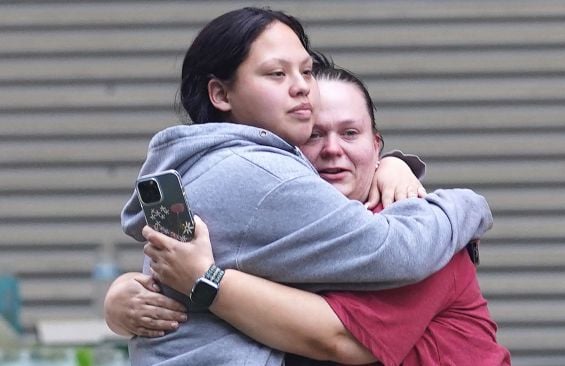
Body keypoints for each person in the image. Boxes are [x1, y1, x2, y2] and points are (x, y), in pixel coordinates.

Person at [116, 7, 493, 366]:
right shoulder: (269, 182)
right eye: (313, 135)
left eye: (350, 133)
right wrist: (467, 204)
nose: (332, 150)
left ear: (375, 145)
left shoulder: (423, 236)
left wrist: (203, 281)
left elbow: (340, 338)